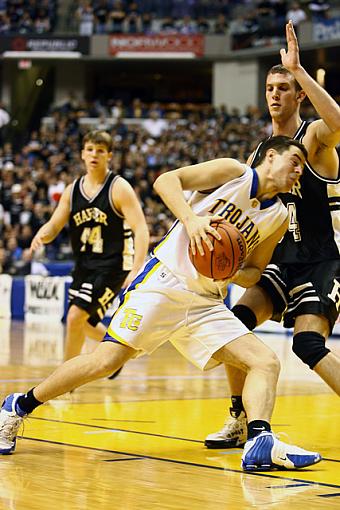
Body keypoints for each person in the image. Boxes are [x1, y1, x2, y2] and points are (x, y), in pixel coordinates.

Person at [0, 136, 323, 471]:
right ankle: (17, 406)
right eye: (295, 161)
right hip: (163, 283)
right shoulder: (234, 172)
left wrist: (232, 267)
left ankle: (258, 440)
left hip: (206, 302)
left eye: (302, 166)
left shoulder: (280, 216)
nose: (299, 170)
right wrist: (192, 220)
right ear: (271, 156)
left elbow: (255, 270)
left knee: (265, 362)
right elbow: (167, 180)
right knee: (106, 361)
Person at [205, 21, 340, 450]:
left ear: (299, 94)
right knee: (235, 325)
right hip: (280, 257)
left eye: (284, 87)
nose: (276, 94)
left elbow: (338, 122)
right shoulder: (260, 154)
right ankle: (239, 417)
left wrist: (298, 69)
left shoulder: (315, 137)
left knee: (307, 343)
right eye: (270, 88)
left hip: (323, 257)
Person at [30, 130, 149, 367]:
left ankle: (63, 379)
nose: (95, 154)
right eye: (90, 149)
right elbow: (55, 224)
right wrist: (42, 234)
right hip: (84, 266)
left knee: (75, 317)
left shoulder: (118, 187)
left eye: (101, 150)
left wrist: (137, 268)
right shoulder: (72, 190)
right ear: (83, 154)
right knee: (82, 323)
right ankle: (119, 354)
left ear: (109, 156)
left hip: (113, 265)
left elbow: (141, 229)